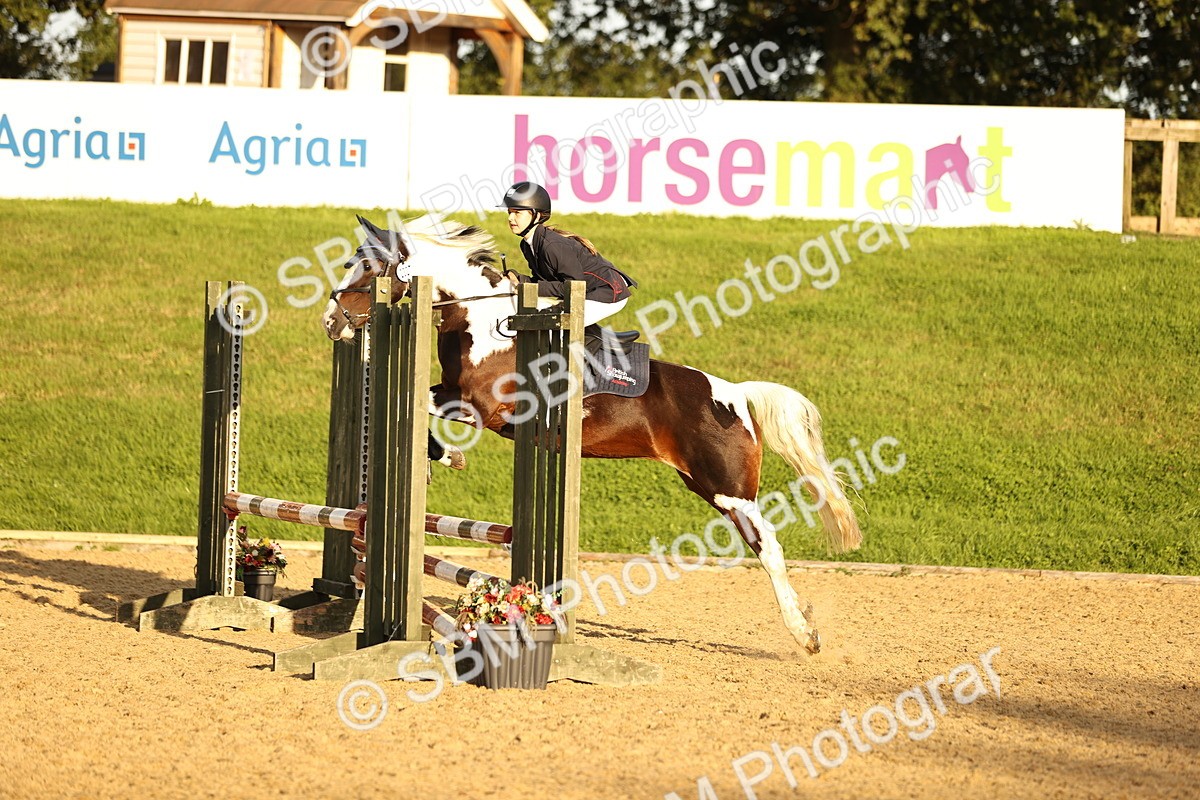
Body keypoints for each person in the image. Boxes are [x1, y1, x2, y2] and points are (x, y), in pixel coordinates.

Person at [498, 181, 637, 327]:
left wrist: (524, 285)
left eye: (517, 213)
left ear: (537, 216)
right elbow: (544, 281)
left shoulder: (552, 246)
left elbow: (574, 287)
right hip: (584, 291)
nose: (510, 218)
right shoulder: (527, 245)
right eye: (509, 212)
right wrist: (518, 278)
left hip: (607, 292)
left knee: (555, 325)